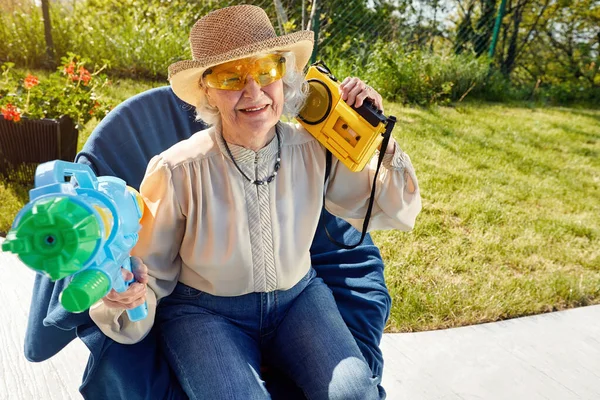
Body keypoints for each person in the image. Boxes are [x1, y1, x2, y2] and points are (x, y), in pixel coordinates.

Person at [86, 4, 421, 399]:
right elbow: (147, 272)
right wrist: (126, 295)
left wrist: (374, 133)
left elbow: (396, 209)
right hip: (204, 312)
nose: (253, 91)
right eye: (230, 76)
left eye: (267, 70)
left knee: (354, 394)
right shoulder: (177, 170)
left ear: (285, 77)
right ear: (207, 92)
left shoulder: (315, 149)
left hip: (300, 299)